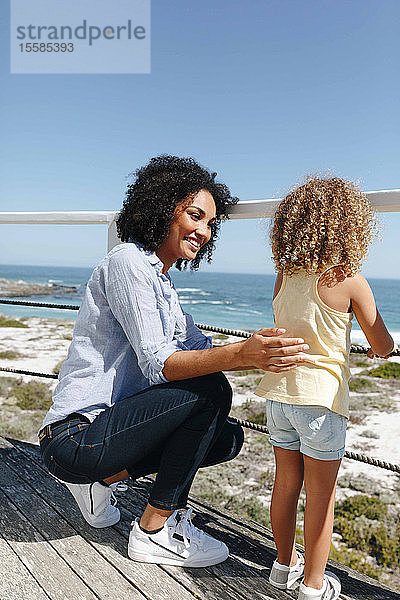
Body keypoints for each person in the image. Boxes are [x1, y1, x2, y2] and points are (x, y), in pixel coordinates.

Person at [39, 155, 308, 568]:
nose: (203, 231)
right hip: (74, 437)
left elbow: (199, 346)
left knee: (225, 437)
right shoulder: (127, 262)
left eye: (211, 225)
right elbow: (159, 364)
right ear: (163, 207)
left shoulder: (161, 283)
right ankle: (153, 530)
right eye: (195, 216)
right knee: (212, 391)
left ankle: (104, 482)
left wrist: (272, 338)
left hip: (109, 434)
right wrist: (241, 355)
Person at [254, 177, 397, 600]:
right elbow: (382, 343)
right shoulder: (350, 279)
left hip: (280, 396)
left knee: (284, 486)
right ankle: (314, 587)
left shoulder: (284, 275)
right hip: (321, 401)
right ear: (353, 226)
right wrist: (381, 350)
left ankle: (283, 567)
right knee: (321, 498)